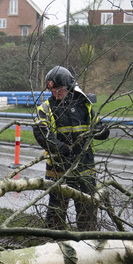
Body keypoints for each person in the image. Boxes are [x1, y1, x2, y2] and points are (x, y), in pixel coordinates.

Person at [33, 66, 109, 231]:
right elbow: (41, 134)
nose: (55, 94)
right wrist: (62, 148)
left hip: (85, 169)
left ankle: (88, 247)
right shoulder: (46, 108)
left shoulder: (84, 105)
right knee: (56, 213)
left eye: (58, 89)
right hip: (59, 171)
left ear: (69, 86)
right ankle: (54, 247)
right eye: (52, 90)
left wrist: (102, 131)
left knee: (87, 212)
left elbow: (98, 126)